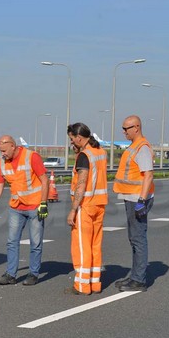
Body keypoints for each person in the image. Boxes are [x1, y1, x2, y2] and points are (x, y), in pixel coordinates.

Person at [0, 135, 49, 286]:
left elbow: (44, 179)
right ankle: (11, 274)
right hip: (16, 207)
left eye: (4, 151)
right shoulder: (2, 163)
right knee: (12, 242)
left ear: (13, 146)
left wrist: (43, 203)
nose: (2, 154)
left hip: (34, 206)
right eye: (0, 151)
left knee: (35, 242)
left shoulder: (31, 157)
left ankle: (33, 274)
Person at [113, 115, 154, 292]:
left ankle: (139, 280)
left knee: (138, 238)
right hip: (131, 197)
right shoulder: (134, 147)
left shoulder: (142, 148)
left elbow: (148, 175)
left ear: (136, 127)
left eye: (126, 128)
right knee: (134, 238)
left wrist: (142, 201)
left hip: (138, 199)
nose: (124, 132)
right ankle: (136, 275)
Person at [66, 123, 108, 295]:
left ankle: (82, 286)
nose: (71, 143)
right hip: (100, 203)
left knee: (82, 247)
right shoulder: (100, 152)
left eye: (71, 139)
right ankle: (94, 283)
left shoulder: (84, 156)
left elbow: (82, 183)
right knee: (95, 245)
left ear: (79, 137)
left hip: (86, 205)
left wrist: (73, 210)